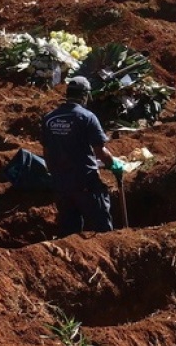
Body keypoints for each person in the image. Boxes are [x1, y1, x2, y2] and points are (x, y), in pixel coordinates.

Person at [40, 77, 124, 236]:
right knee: (102, 228)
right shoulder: (87, 117)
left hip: (61, 184)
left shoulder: (49, 118)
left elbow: (46, 152)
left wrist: (56, 174)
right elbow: (100, 151)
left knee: (69, 231)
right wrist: (113, 165)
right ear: (85, 95)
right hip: (85, 182)